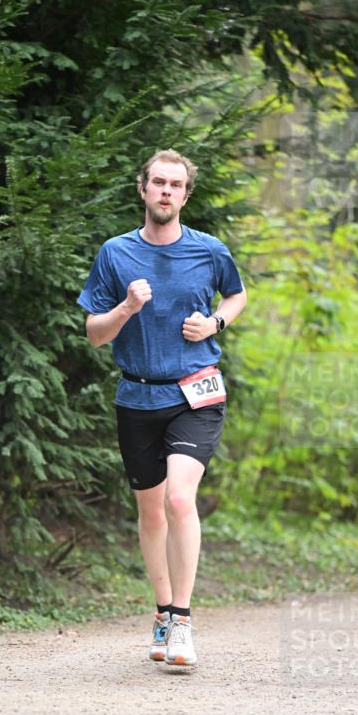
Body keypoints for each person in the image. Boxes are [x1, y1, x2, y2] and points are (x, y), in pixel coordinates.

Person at [78, 148, 246, 669]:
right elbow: (93, 336)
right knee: (151, 512)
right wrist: (127, 307)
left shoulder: (209, 250)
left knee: (178, 501)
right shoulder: (115, 253)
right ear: (143, 189)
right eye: (159, 183)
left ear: (186, 194)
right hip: (137, 395)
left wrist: (215, 324)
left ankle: (183, 622)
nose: (167, 191)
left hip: (196, 392)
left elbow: (236, 296)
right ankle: (160, 612)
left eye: (176, 184)